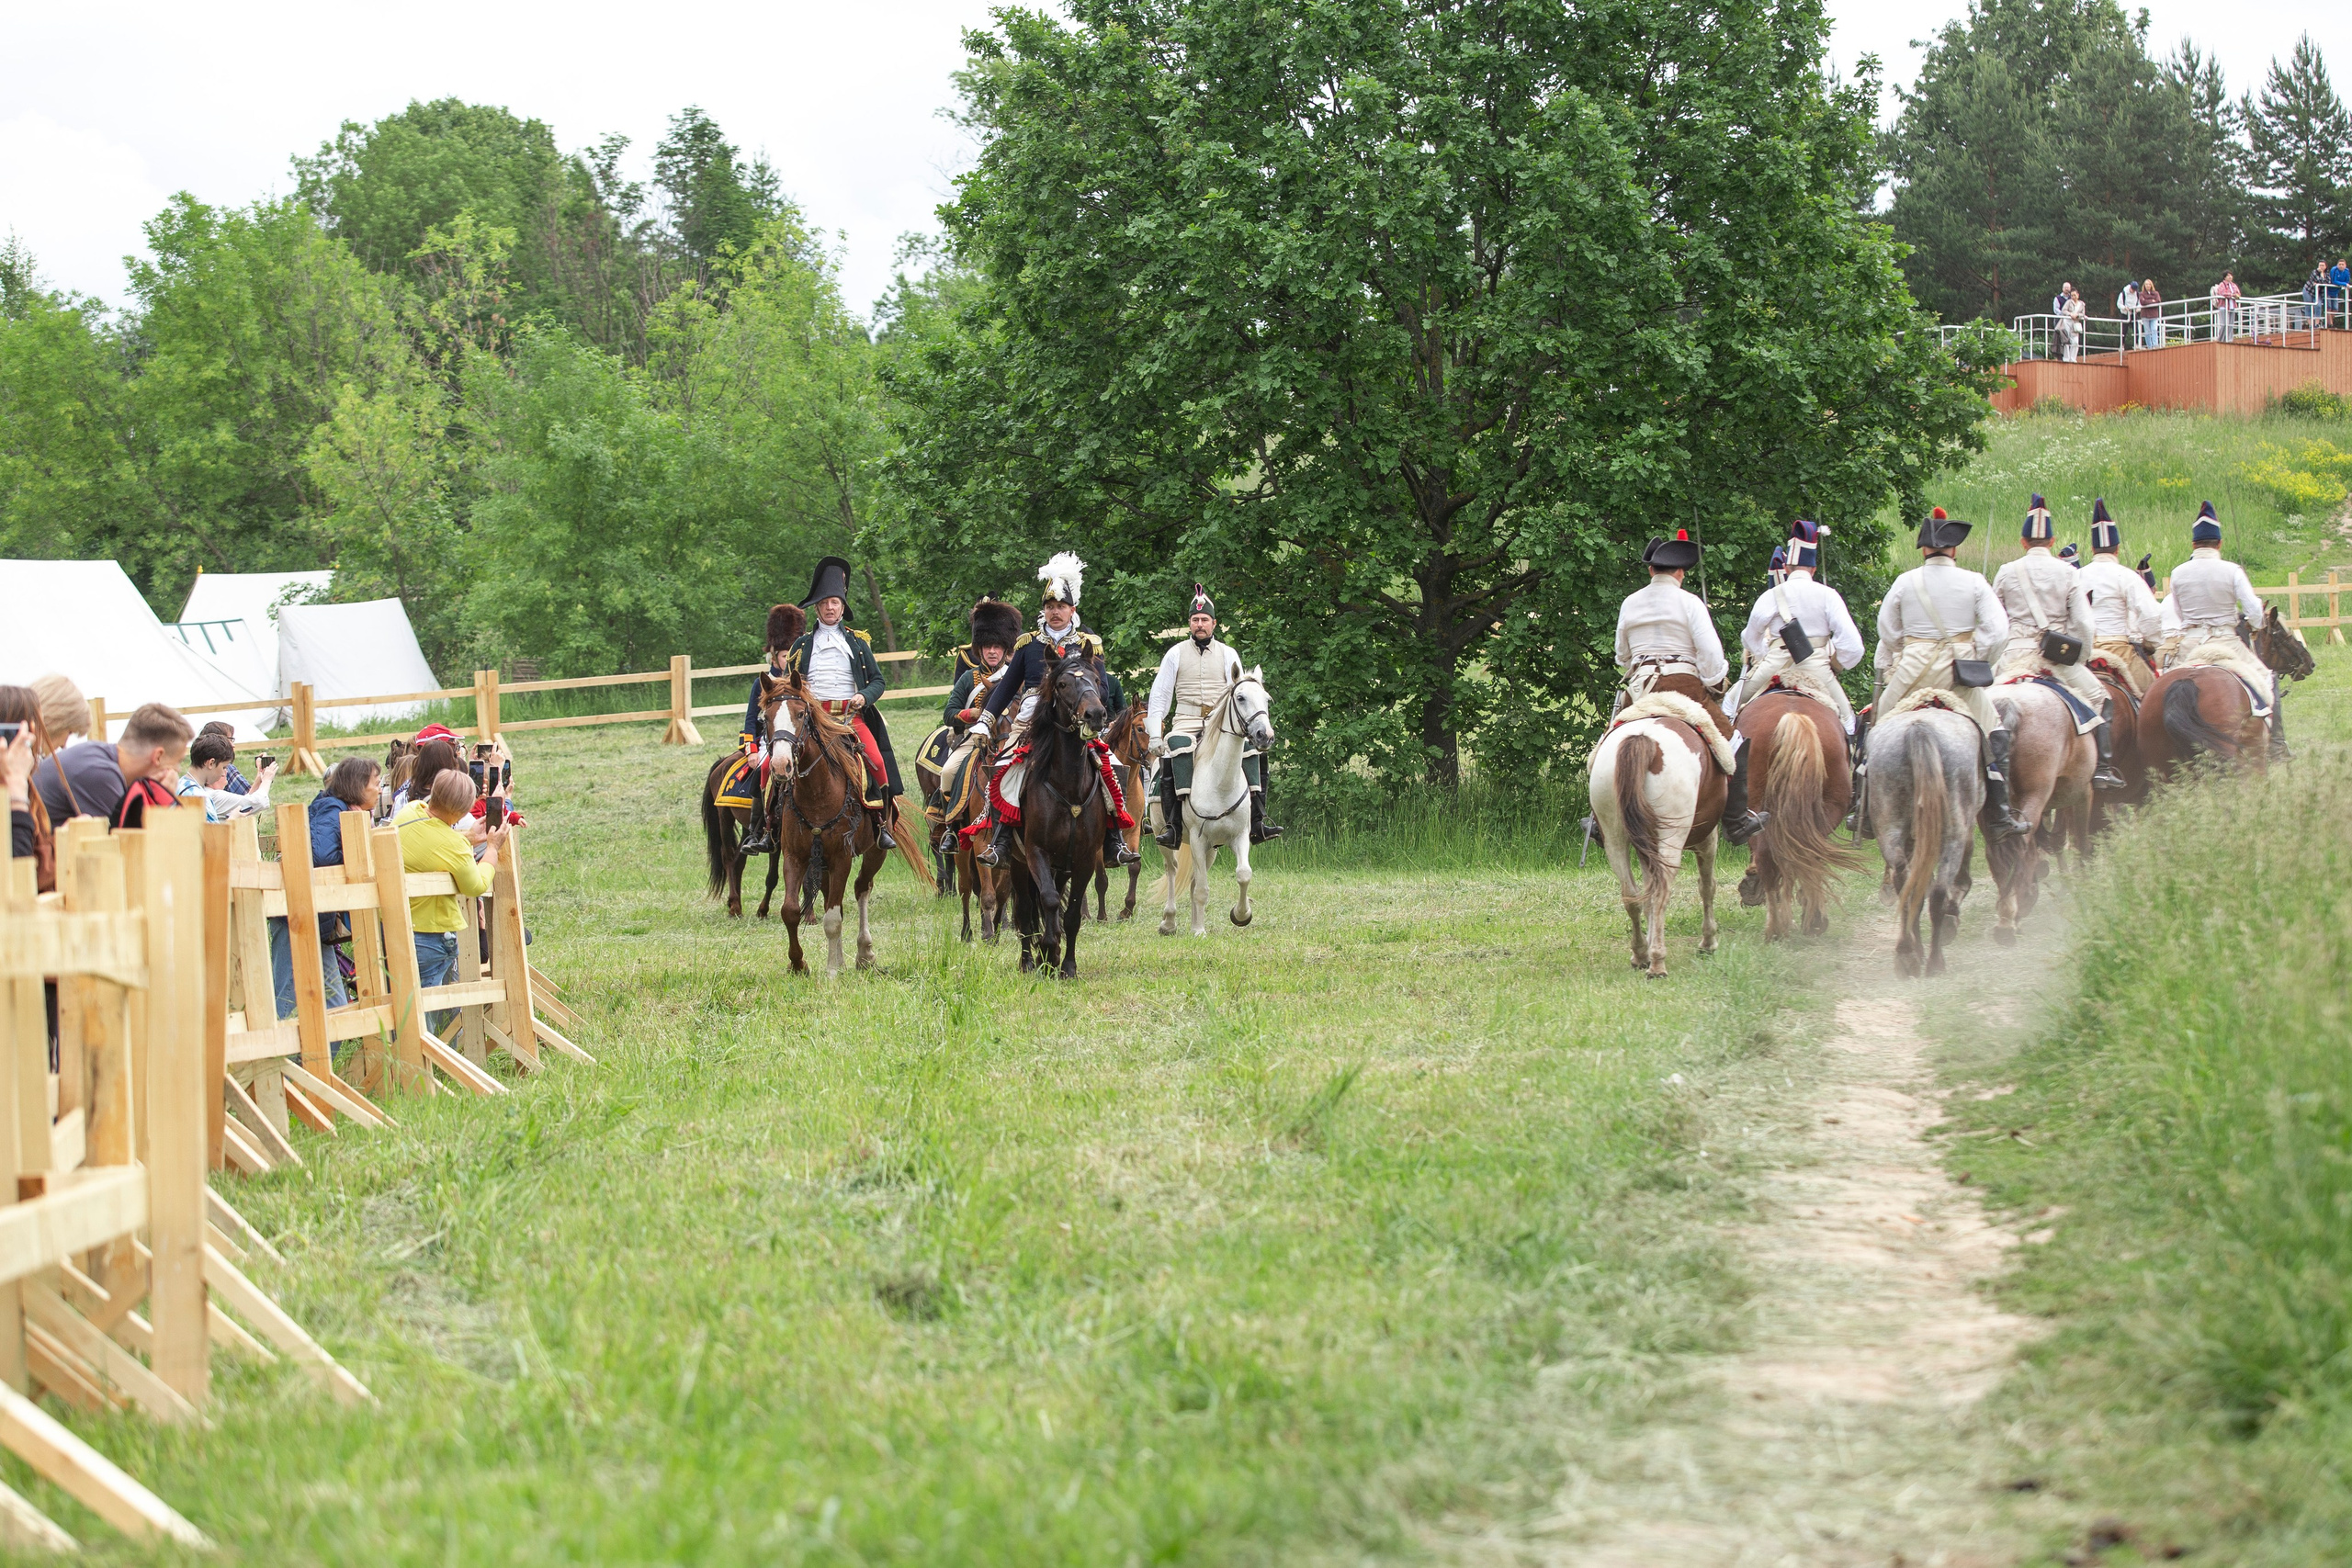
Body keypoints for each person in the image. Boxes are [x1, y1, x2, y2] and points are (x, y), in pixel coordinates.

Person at [966, 552, 1140, 869]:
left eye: (1060, 607)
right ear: (1043, 611)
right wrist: (985, 721)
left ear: (1072, 609)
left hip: (1078, 717)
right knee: (1006, 766)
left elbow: (1099, 687)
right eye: (1049, 607)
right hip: (1032, 716)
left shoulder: (1089, 643)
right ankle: (1001, 839)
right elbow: (1006, 688)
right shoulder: (1027, 643)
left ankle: (1114, 840)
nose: (1054, 612)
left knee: (1112, 766)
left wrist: (1094, 714)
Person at [1867, 508, 2031, 839]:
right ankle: (1999, 813)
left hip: (1911, 673)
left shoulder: (1904, 581)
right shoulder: (1973, 582)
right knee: (1994, 729)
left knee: (1875, 725)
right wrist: (1976, 656)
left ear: (1924, 549)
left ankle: (1863, 806)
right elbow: (1999, 632)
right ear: (1954, 550)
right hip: (1958, 675)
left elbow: (1887, 632)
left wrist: (1909, 647)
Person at [1612, 528, 1768, 845]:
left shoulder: (1630, 602)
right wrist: (1714, 681)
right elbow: (1711, 657)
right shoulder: (1690, 602)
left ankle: (1600, 820)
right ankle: (1737, 821)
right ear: (1681, 572)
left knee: (1607, 744)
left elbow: (1621, 655)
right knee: (1734, 740)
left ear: (1651, 570)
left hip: (1640, 688)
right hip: (1683, 686)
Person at [770, 557, 909, 852]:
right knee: (777, 766)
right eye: (824, 603)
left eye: (835, 602)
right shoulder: (801, 645)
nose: (830, 607)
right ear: (817, 608)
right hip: (812, 720)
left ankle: (881, 825)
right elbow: (785, 686)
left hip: (850, 718)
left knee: (878, 763)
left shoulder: (858, 643)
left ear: (843, 606)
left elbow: (878, 681)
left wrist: (864, 696)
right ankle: (768, 825)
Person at [1993, 495, 2122, 789]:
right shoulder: (2066, 572)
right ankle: (2102, 768)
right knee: (2102, 698)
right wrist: (2080, 658)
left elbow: (1995, 623)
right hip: (2056, 659)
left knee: (1978, 704)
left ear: (2023, 542)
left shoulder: (2005, 571)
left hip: (2012, 656)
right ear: (2052, 541)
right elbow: (2084, 624)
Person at [1146, 584, 1283, 849]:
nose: (1200, 624)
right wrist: (1155, 734)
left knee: (1251, 752)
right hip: (1185, 720)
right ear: (1189, 623)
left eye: (1204, 620)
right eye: (1195, 620)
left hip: (1219, 725)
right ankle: (1173, 825)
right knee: (1176, 749)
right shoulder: (1175, 654)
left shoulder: (1228, 653)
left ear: (1214, 623)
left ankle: (1258, 820)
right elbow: (1160, 694)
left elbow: (1240, 691)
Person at [267, 755, 382, 1019]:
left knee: (336, 1008)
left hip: (317, 920)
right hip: (294, 918)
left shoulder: (340, 809)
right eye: (375, 782)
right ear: (358, 784)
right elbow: (323, 858)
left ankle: (304, 1060)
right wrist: (359, 853)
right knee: (284, 1000)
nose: (379, 789)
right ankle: (269, 1058)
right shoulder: (332, 809)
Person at [396, 768, 505, 1039]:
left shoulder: (410, 812)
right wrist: (491, 848)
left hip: (399, 928)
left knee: (409, 1007)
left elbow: (430, 842)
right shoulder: (453, 847)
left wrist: (469, 836)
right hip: (433, 934)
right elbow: (475, 884)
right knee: (431, 1014)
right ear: (463, 809)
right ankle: (433, 1069)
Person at [1726, 520, 1864, 735]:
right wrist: (1835, 665)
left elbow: (1750, 638)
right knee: (1848, 723)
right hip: (1818, 670)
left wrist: (1765, 655)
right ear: (1814, 569)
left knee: (1728, 706)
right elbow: (1854, 646)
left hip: (1773, 667)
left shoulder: (1770, 595)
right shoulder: (1829, 595)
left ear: (1786, 567)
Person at [2160, 501, 2278, 747]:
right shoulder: (2232, 570)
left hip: (2191, 645)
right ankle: (2277, 742)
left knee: (2160, 688)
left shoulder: (2178, 572)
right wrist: (2256, 625)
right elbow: (2255, 612)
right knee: (2267, 678)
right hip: (2227, 643)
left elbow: (2180, 614)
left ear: (2193, 544)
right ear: (2220, 543)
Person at [735, 603, 807, 856]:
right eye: (785, 655)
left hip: (798, 738)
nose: (788, 660)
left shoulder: (803, 682)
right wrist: (751, 750)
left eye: (792, 655)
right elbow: (750, 720)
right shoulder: (763, 682)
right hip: (770, 741)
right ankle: (759, 829)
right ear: (774, 654)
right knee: (765, 768)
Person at [2077, 499, 2163, 696]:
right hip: (2118, 650)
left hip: (2081, 651)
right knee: (2155, 697)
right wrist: (2151, 643)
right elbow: (2151, 616)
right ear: (2117, 549)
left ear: (2092, 549)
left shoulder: (2076, 576)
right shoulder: (2126, 576)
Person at [176, 732, 277, 821]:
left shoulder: (180, 785)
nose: (224, 773)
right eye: (224, 767)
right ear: (211, 763)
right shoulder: (200, 797)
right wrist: (232, 820)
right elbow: (214, 840)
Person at [196, 722, 253, 795]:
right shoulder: (227, 768)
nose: (233, 745)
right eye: (230, 740)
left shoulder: (198, 768)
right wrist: (264, 777)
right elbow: (251, 799)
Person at [2211, 271, 2241, 343]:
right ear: (2225, 277)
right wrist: (2232, 295)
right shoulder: (2222, 285)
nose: (2230, 277)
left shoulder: (2233, 285)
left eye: (2231, 275)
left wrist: (2234, 295)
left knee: (2230, 324)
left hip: (2232, 306)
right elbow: (2222, 293)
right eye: (2228, 276)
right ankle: (2220, 339)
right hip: (2223, 306)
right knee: (2224, 324)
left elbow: (2238, 293)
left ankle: (2229, 339)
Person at [2138, 278, 2163, 348]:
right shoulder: (2141, 294)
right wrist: (2152, 301)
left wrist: (2147, 301)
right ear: (2144, 286)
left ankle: (2155, 344)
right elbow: (2142, 302)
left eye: (2149, 284)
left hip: (2154, 314)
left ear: (2151, 285)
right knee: (2147, 331)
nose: (2148, 286)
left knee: (2154, 329)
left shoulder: (2156, 293)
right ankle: (2150, 346)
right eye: (2146, 284)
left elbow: (2158, 301)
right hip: (2145, 315)